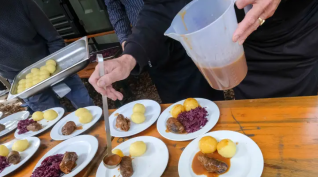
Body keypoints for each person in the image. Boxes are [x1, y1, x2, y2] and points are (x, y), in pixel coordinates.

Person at [91, 0, 318, 101]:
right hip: (238, 38)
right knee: (255, 122)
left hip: (292, 37)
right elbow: (162, 4)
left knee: (292, 125)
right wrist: (129, 57)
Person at [90, 1, 225, 103]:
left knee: (209, 95)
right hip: (147, 44)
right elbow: (114, 6)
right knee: (175, 104)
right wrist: (127, 48)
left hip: (187, 32)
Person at [0, 0, 94, 111]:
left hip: (54, 64)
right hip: (21, 81)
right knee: (49, 118)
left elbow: (54, 39)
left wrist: (54, 70)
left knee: (86, 107)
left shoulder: (20, 3)